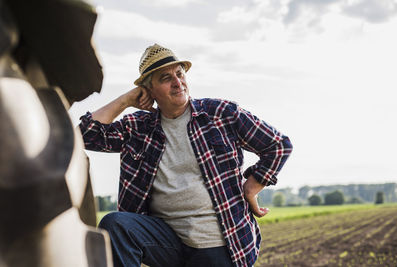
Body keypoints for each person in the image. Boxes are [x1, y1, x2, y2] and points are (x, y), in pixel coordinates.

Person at [79, 43, 292, 267]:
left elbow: (278, 145)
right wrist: (125, 100)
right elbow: (84, 135)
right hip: (168, 242)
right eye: (165, 78)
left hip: (218, 244)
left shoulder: (220, 114)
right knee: (116, 225)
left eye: (179, 74)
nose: (177, 83)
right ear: (149, 90)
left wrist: (251, 186)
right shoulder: (138, 128)